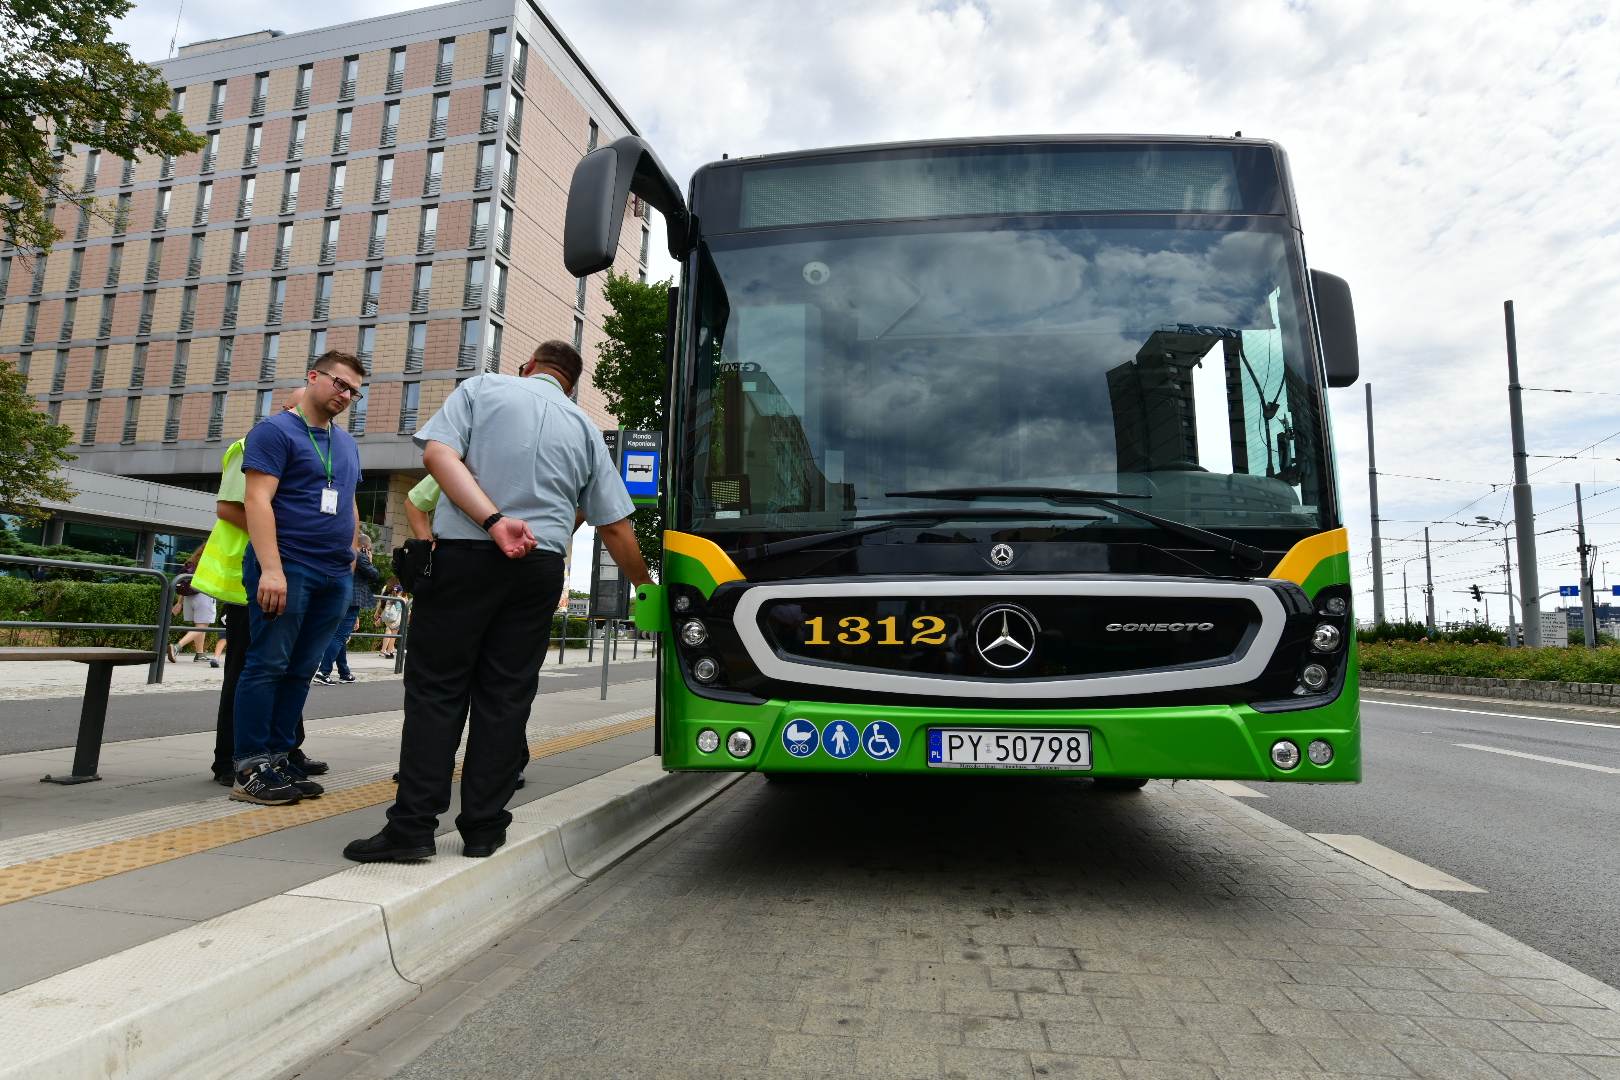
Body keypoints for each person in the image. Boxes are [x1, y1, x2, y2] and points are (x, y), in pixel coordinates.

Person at [344, 340, 651, 862]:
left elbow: (437, 454)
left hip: (467, 556)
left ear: (528, 367)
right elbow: (616, 526)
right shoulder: (583, 429)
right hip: (537, 571)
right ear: (571, 385)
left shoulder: (482, 388)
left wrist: (492, 520)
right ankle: (484, 828)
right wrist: (646, 589)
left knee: (438, 691)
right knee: (506, 695)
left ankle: (413, 828)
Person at [231, 351, 365, 805]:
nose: (346, 395)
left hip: (333, 574)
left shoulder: (346, 444)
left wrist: (350, 553)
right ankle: (249, 767)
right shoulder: (274, 432)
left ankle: (279, 757)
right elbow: (256, 500)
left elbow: (347, 500)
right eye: (340, 384)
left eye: (354, 392)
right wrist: (271, 568)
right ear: (313, 377)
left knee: (301, 670)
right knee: (267, 665)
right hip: (288, 566)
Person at [193, 387, 328, 786]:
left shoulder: (315, 450)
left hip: (289, 575)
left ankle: (284, 749)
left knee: (288, 667)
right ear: (290, 409)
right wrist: (287, 536)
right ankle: (230, 759)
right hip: (250, 579)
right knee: (249, 671)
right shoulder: (255, 442)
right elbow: (230, 507)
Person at [315, 533, 378, 684]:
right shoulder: (361, 556)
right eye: (368, 549)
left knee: (340, 635)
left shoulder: (343, 552)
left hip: (337, 596)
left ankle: (344, 671)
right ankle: (323, 672)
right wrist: (370, 561)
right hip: (353, 599)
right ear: (364, 547)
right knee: (340, 636)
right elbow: (374, 575)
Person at [170, 549, 219, 665]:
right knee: (202, 625)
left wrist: (179, 602)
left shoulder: (193, 564)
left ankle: (200, 654)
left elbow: (185, 583)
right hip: (204, 596)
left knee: (199, 625)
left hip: (189, 598)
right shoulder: (211, 563)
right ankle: (177, 647)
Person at [376, 579, 405, 658]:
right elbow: (406, 610)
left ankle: (384, 650)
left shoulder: (389, 598)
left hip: (388, 620)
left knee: (388, 632)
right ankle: (389, 652)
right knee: (393, 637)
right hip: (396, 620)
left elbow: (385, 609)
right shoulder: (401, 599)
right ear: (400, 591)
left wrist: (380, 618)